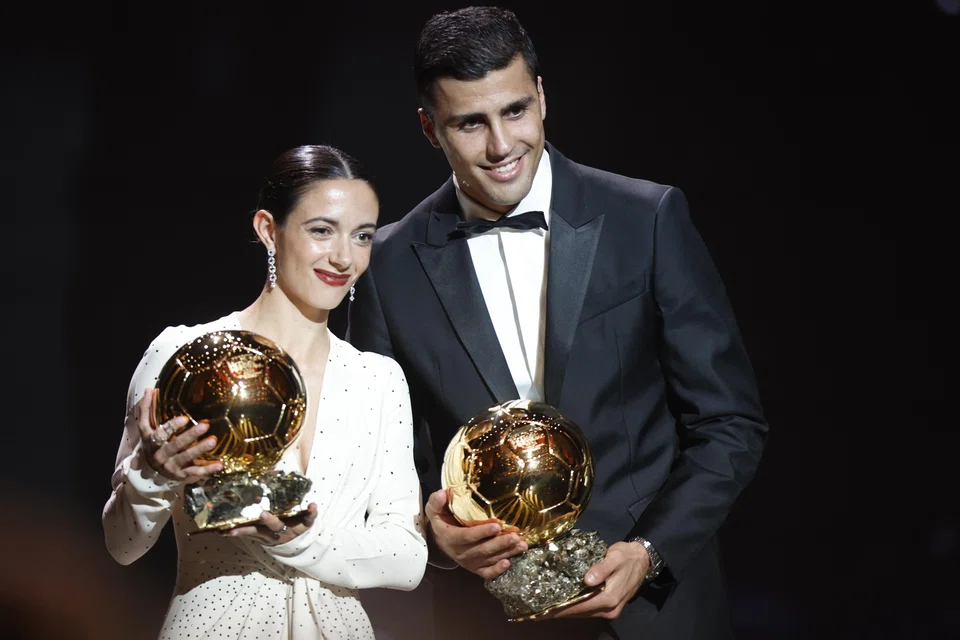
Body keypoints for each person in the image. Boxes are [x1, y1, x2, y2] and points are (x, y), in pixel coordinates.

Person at [346, 6, 768, 639]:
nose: (500, 146)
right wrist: (435, 539)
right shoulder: (387, 266)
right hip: (487, 618)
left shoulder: (646, 218)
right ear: (430, 129)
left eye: (515, 111)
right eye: (469, 122)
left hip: (657, 613)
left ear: (542, 96)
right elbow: (379, 468)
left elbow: (730, 424)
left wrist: (649, 553)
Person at [102, 144, 427, 640]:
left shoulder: (377, 379)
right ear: (267, 230)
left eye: (361, 236)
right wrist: (151, 474)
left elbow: (407, 558)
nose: (343, 257)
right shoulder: (186, 355)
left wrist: (305, 541)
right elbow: (121, 544)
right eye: (321, 230)